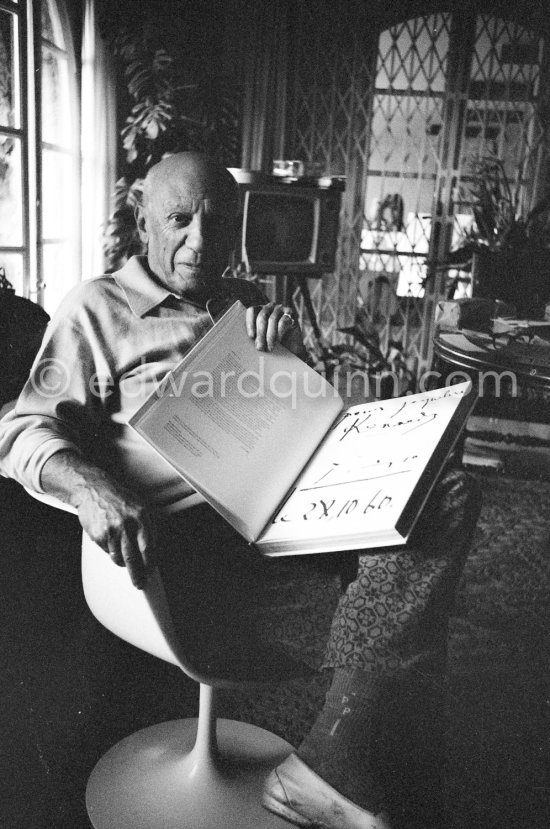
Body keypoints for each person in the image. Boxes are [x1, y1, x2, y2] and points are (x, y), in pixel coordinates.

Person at [0, 152, 481, 829]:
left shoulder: (246, 302)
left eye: (217, 223)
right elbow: (20, 426)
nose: (200, 241)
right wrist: (89, 484)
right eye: (179, 219)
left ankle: (335, 753)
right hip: (185, 562)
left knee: (447, 492)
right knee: (406, 630)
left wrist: (289, 356)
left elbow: (301, 420)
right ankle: (344, 753)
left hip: (292, 521)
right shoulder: (96, 309)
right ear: (142, 219)